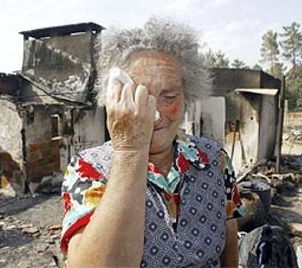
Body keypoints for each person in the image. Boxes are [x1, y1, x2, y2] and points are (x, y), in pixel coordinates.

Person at [60, 18, 246, 268]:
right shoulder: (87, 169)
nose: (155, 114)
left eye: (168, 97)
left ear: (187, 96)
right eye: (140, 97)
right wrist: (129, 150)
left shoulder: (214, 159)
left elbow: (229, 238)